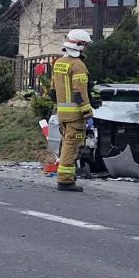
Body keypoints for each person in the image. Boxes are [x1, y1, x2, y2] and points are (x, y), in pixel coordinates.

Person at [50, 28, 94, 192]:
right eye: (85, 45)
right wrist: (88, 113)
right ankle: (65, 180)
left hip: (62, 114)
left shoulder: (59, 63)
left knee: (66, 144)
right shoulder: (78, 65)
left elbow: (52, 91)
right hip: (75, 116)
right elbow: (79, 93)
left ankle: (68, 176)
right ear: (80, 45)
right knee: (72, 146)